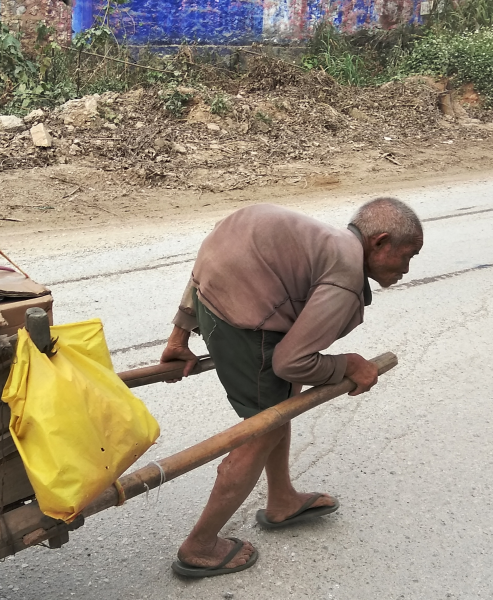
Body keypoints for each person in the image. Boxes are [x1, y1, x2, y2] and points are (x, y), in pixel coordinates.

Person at [159, 197, 423, 578]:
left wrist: (179, 334)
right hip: (246, 327)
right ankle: (199, 545)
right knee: (262, 429)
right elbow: (290, 362)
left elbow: (208, 264)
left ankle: (281, 499)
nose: (408, 269)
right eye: (408, 255)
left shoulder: (319, 240)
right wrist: (348, 364)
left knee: (282, 403)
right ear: (379, 243)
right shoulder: (344, 276)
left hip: (212, 306)